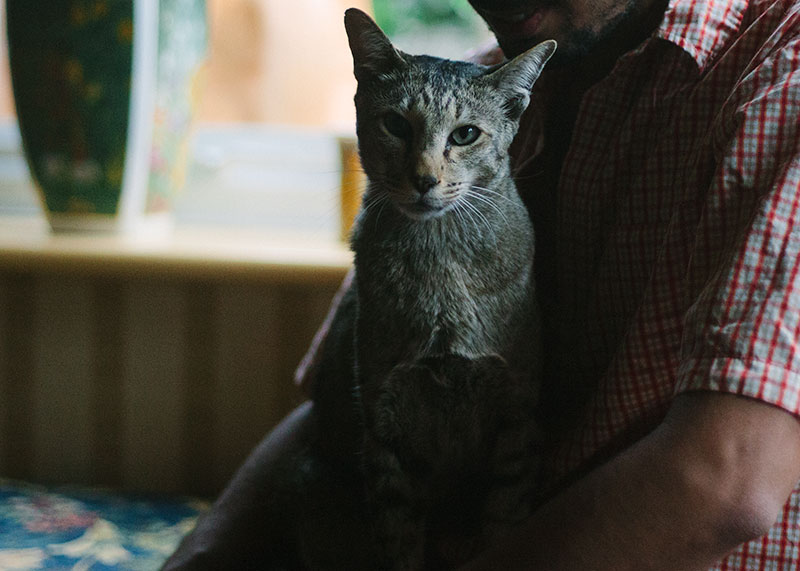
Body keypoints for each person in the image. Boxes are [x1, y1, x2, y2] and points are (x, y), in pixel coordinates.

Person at [164, 0, 800, 568]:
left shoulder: (779, 76)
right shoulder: (486, 77)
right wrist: (199, 557)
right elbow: (340, 397)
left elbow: (726, 481)